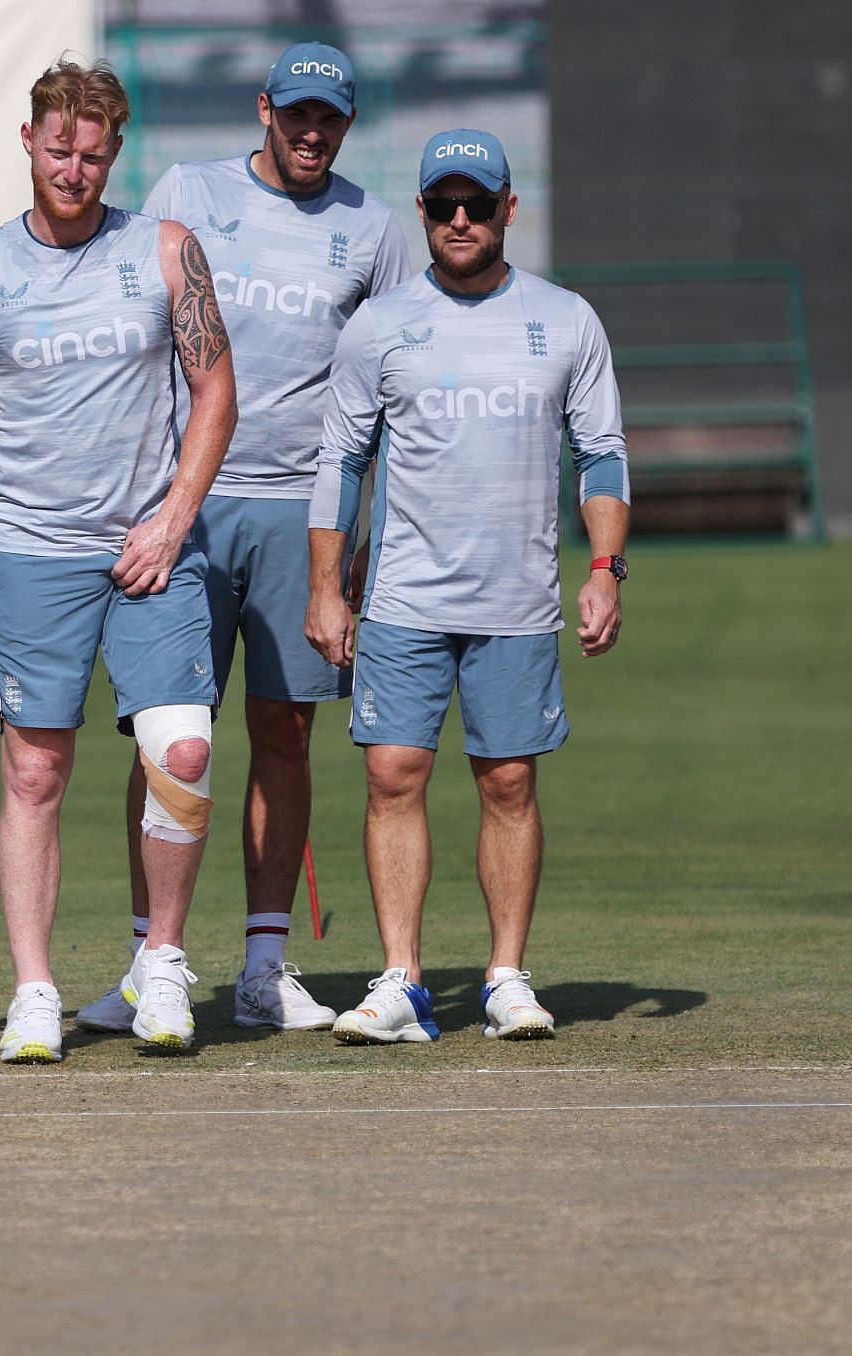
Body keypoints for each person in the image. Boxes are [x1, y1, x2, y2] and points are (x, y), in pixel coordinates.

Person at [0, 58, 237, 1063]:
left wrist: (173, 518)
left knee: (183, 751)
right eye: (59, 146)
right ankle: (34, 990)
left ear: (117, 152)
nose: (75, 166)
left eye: (94, 151)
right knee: (36, 772)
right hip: (32, 551)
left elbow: (215, 393)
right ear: (28, 141)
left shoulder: (165, 251)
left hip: (152, 548)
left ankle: (160, 961)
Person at [73, 43, 411, 1036]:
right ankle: (149, 964)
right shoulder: (189, 190)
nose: (312, 132)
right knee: (165, 736)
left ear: (347, 125)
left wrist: (355, 544)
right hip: (181, 504)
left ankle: (265, 969)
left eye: (331, 119)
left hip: (303, 516)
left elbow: (391, 397)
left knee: (284, 734)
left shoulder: (375, 229)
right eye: (297, 113)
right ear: (265, 109)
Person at [304, 128, 629, 1043]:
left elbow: (602, 459)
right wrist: (327, 587)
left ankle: (505, 978)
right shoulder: (379, 325)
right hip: (404, 598)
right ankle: (403, 981)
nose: (459, 219)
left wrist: (606, 570)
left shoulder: (567, 320)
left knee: (510, 783)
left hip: (518, 602)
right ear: (421, 212)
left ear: (507, 211)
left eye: (477, 205)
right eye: (443, 204)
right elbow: (341, 460)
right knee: (391, 774)